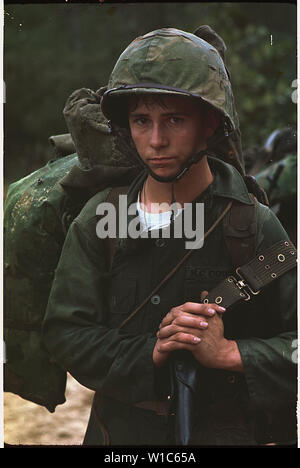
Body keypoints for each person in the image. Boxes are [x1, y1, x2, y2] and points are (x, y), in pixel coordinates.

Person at [42, 27, 297, 446]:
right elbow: (66, 332)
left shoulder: (254, 224)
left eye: (174, 120)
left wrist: (231, 354)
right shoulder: (102, 218)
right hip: (119, 437)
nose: (156, 141)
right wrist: (150, 354)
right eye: (142, 121)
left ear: (209, 123)